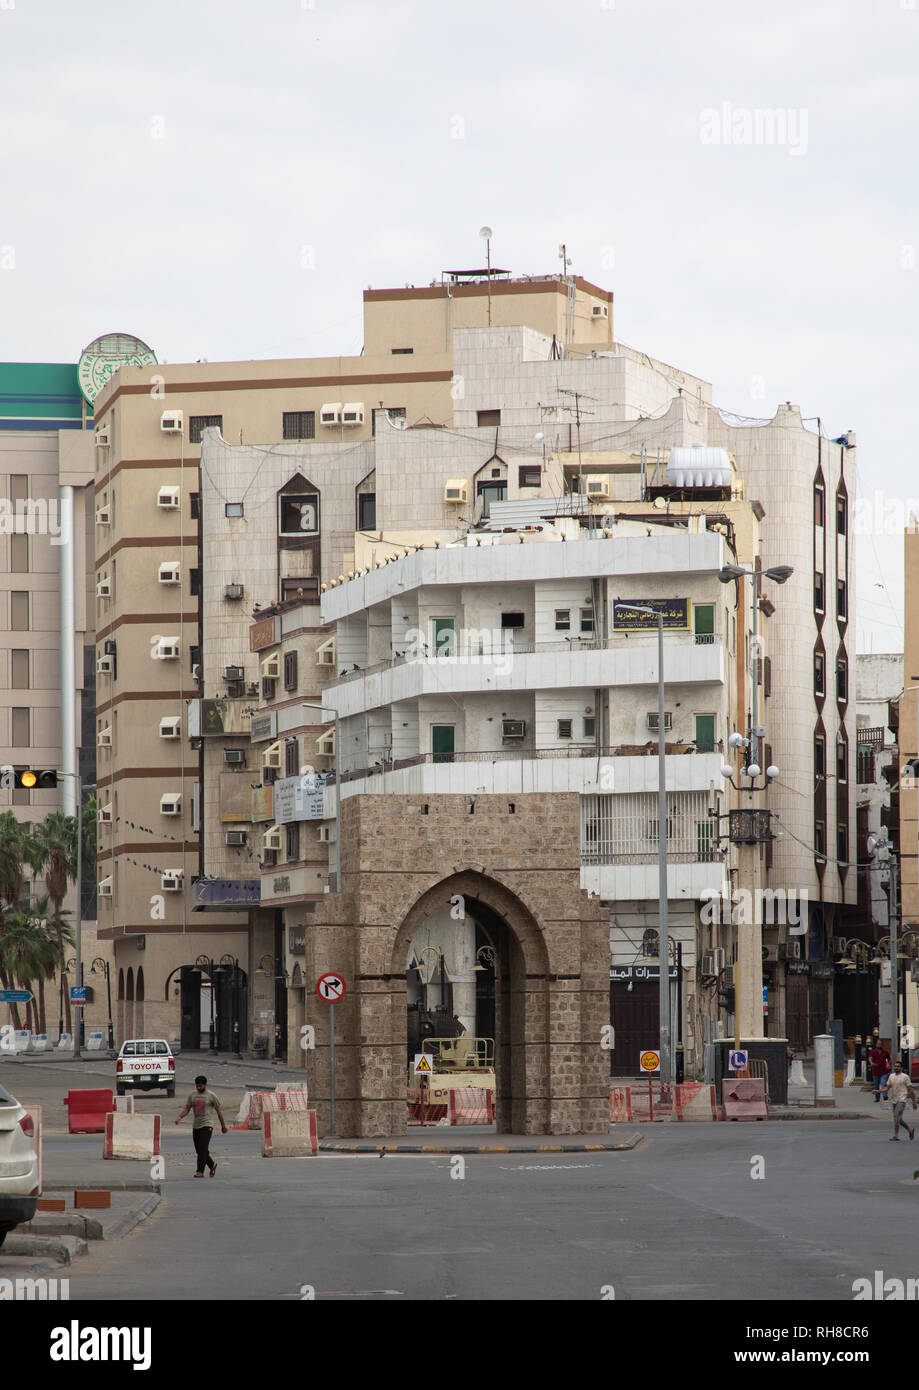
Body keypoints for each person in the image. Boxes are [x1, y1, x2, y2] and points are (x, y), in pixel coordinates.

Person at [175, 1075, 227, 1176]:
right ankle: (212, 1165)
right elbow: (187, 1108)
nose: (199, 1088)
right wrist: (180, 1117)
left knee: (202, 1147)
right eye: (197, 1086)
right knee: (199, 1149)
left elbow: (219, 1112)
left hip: (207, 1125)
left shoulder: (211, 1095)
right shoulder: (192, 1095)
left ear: (205, 1085)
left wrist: (223, 1126)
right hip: (196, 1125)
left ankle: (200, 1171)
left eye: (200, 1086)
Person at [881, 1061, 916, 1141]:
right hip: (894, 1099)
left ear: (901, 1068)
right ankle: (908, 1130)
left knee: (897, 1117)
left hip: (902, 1099)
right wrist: (878, 1091)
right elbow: (887, 1087)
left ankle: (897, 1135)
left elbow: (910, 1090)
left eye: (898, 1066)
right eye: (895, 1066)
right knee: (897, 1118)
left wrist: (913, 1102)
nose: (896, 1068)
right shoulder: (891, 1076)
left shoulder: (905, 1077)